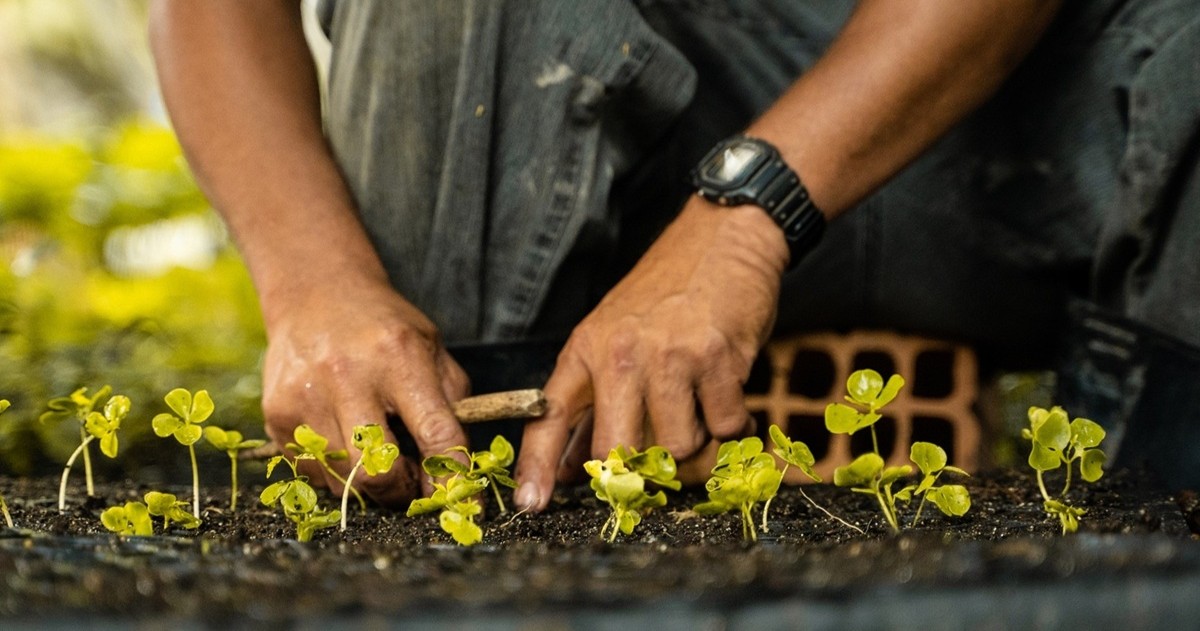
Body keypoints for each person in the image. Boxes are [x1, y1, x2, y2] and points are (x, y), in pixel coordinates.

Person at [149, 0, 1200, 507]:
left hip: (1022, 120)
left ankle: (1159, 511)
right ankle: (490, 502)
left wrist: (745, 216)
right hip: (626, 133)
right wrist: (315, 281)